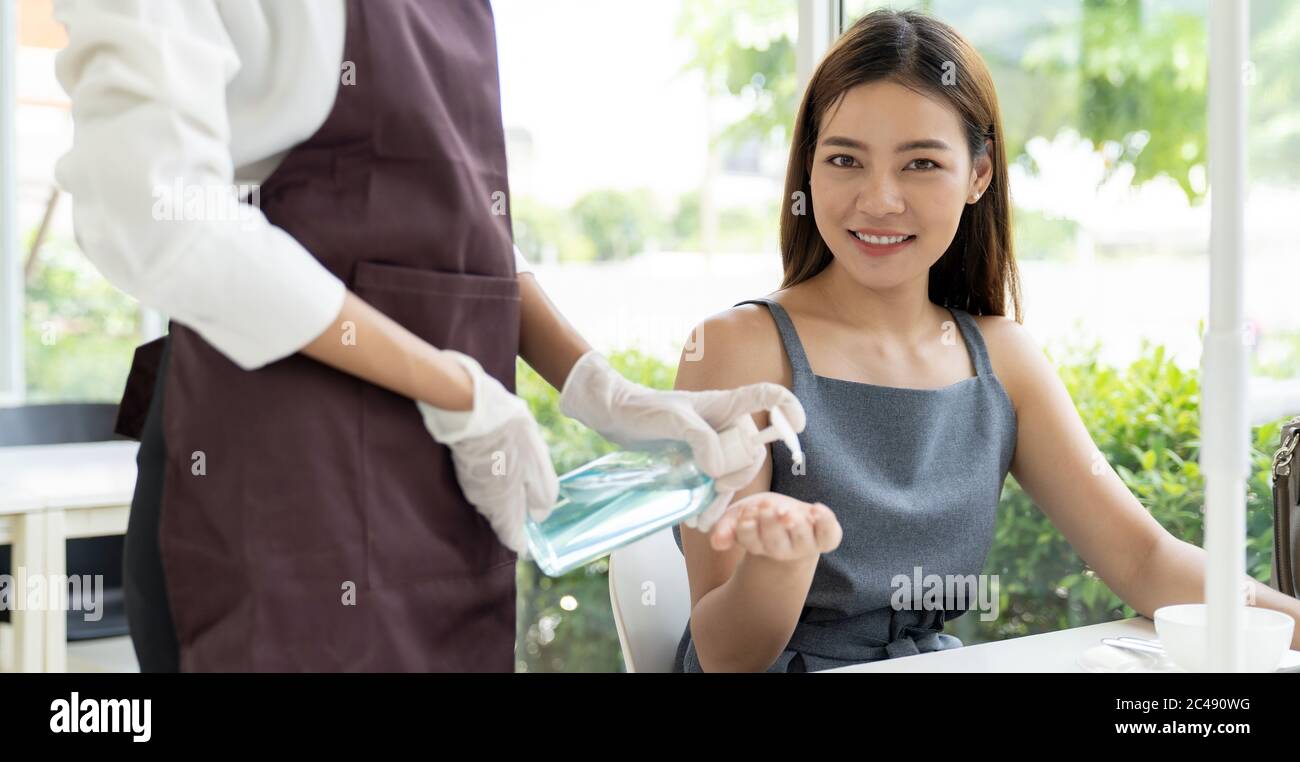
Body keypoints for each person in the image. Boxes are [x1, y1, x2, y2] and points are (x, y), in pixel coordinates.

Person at [52, 0, 803, 672]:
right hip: (278, 489)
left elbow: (457, 235)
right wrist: (451, 388)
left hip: (445, 504)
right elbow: (158, 210)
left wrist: (600, 389)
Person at [671, 7, 1300, 673]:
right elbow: (724, 657)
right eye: (845, 159)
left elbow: (1145, 561)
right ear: (808, 168)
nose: (879, 198)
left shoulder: (1002, 359)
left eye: (920, 163)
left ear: (978, 175)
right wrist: (780, 567)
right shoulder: (735, 350)